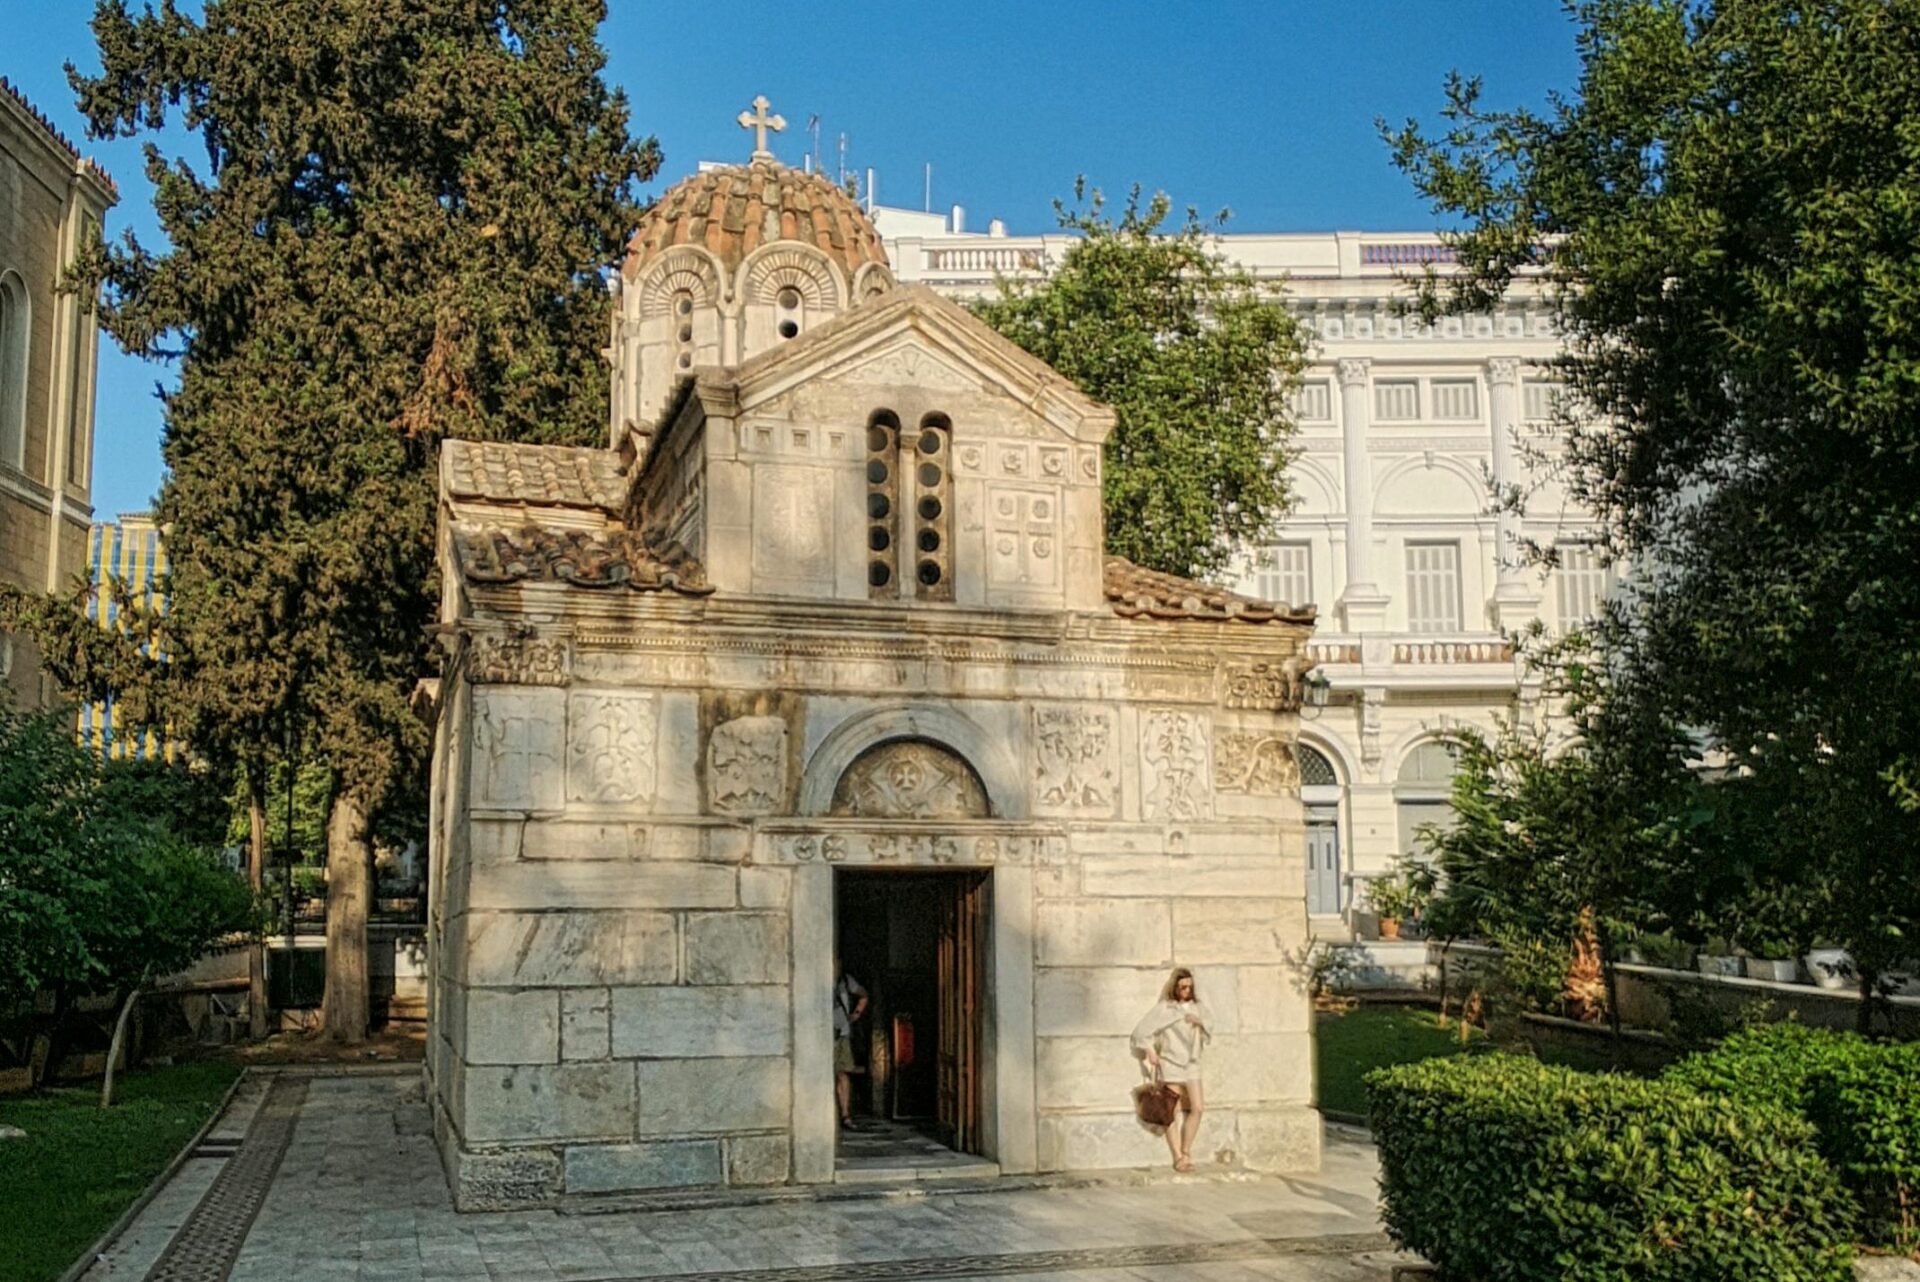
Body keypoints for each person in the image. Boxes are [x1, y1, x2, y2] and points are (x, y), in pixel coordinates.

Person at [1131, 967, 1211, 1171]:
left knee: (1198, 1107)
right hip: (1171, 1062)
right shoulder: (1165, 1009)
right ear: (1175, 987)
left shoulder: (1197, 1007)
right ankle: (1178, 1156)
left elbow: (1210, 1027)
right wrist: (1150, 1051)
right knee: (1170, 1111)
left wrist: (1199, 1023)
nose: (1187, 990)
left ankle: (1186, 1150)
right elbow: (1141, 1032)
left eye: (1190, 987)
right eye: (1183, 986)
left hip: (1192, 1062)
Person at [833, 962, 869, 1129]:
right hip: (822, 1033)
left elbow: (863, 995)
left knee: (842, 1073)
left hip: (841, 1033)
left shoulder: (846, 981)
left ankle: (845, 1114)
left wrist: (856, 1014)